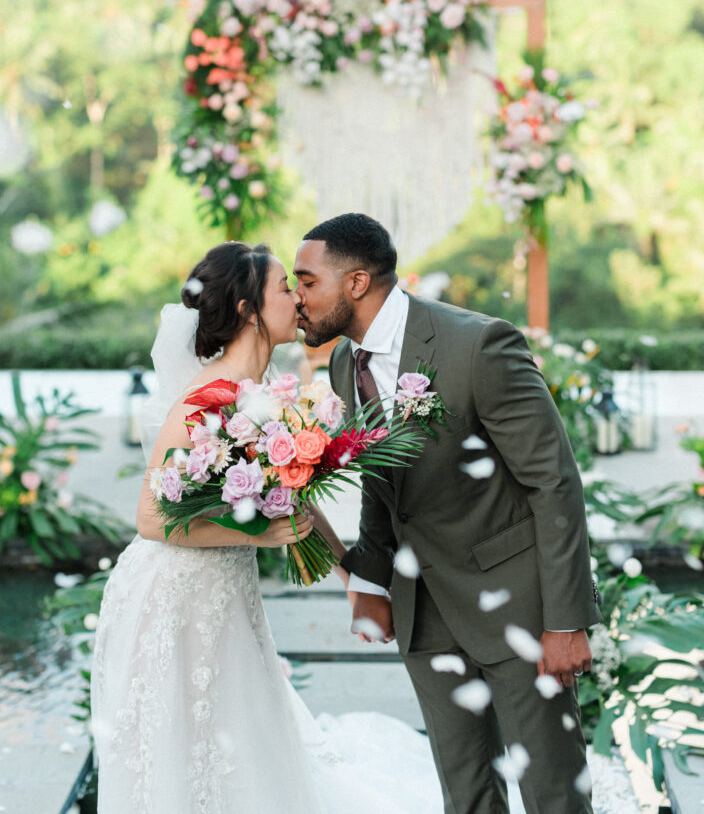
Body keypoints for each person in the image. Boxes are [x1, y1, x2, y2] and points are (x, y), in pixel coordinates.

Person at [91, 240, 445, 814]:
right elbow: (151, 518)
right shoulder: (207, 399)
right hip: (171, 598)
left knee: (240, 737)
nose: (299, 299)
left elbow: (292, 498)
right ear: (248, 310)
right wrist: (256, 533)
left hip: (224, 594)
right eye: (286, 288)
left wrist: (352, 578)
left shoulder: (268, 396)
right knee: (179, 751)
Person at [293, 213, 602, 814]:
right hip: (422, 613)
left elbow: (553, 480)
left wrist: (566, 620)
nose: (297, 298)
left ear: (356, 283)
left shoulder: (477, 344)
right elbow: (382, 487)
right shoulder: (342, 365)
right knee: (465, 795)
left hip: (517, 607)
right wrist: (370, 582)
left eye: (307, 282)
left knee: (553, 793)